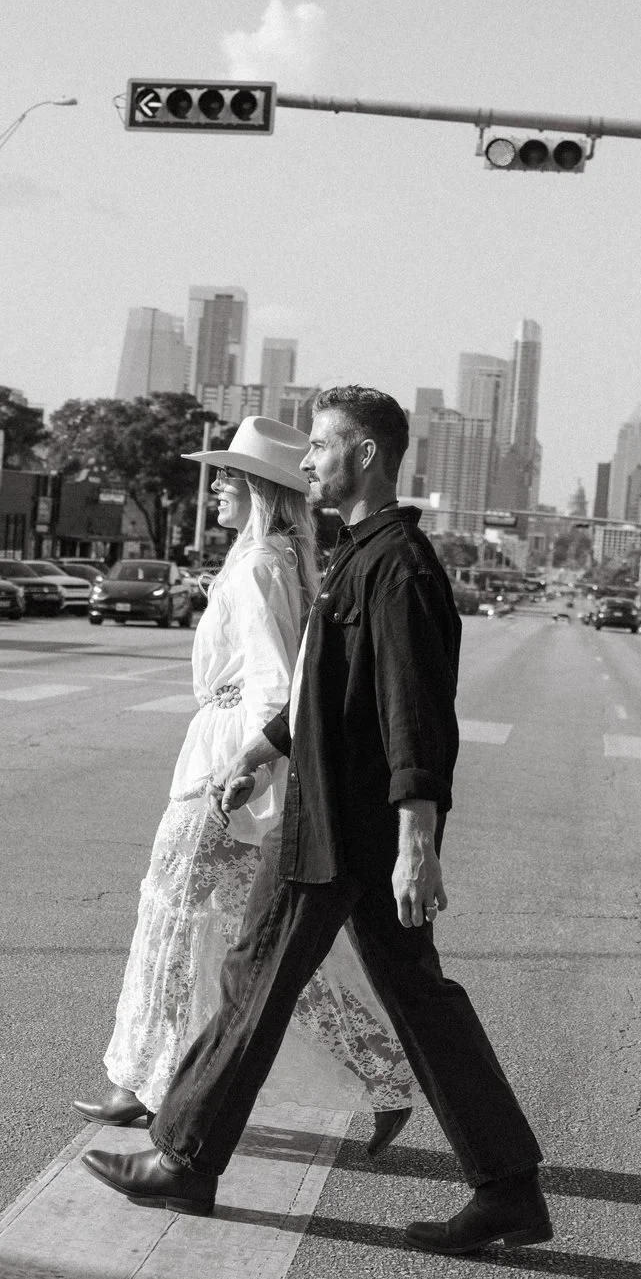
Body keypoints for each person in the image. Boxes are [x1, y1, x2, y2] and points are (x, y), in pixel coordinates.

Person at [83, 386, 551, 1256]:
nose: (306, 464)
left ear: (366, 454)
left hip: (341, 826)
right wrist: (259, 752)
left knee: (252, 977)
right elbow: (321, 694)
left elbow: (417, 718)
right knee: (421, 1002)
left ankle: (185, 1156)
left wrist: (421, 843)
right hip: (341, 818)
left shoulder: (399, 566)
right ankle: (509, 1186)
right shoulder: (361, 555)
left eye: (322, 447)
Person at [74, 416, 417, 1149]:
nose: (217, 485)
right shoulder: (263, 559)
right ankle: (382, 1075)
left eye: (229, 475)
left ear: (260, 488)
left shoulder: (263, 562)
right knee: (257, 945)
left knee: (178, 918)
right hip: (225, 759)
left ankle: (144, 1082)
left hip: (225, 770)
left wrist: (249, 769)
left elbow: (274, 685)